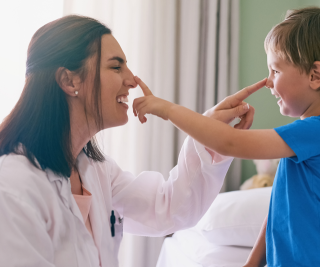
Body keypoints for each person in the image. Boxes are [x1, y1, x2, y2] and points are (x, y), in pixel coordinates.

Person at [0, 15, 257, 267]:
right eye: (115, 66)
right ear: (69, 80)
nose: (132, 79)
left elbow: (168, 208)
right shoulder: (13, 186)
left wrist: (208, 131)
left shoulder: (96, 172)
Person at [132, 7, 320, 267]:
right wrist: (251, 263)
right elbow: (279, 211)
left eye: (275, 71)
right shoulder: (308, 137)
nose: (268, 82)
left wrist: (168, 109)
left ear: (315, 76)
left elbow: (229, 142)